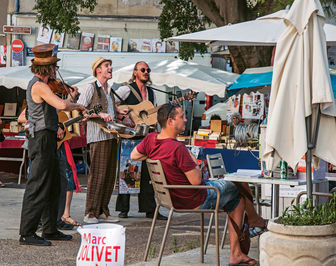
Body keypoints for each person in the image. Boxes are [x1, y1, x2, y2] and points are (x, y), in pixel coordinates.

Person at [130, 103, 266, 266]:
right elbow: (196, 181)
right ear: (170, 121)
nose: (186, 120)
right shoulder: (177, 148)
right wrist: (193, 161)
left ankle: (251, 225)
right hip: (194, 199)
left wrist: (157, 158)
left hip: (170, 199)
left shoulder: (150, 139)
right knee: (238, 184)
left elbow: (134, 155)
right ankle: (251, 227)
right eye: (182, 116)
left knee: (235, 197)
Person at [19, 44, 85, 246]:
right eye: (54, 67)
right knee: (38, 185)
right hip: (40, 139)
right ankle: (26, 233)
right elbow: (62, 105)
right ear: (47, 68)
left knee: (54, 184)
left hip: (49, 138)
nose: (56, 70)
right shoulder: (39, 86)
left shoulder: (47, 86)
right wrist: (77, 105)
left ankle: (50, 229)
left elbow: (53, 110)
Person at [77, 56, 128, 224]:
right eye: (107, 66)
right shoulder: (90, 88)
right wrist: (100, 114)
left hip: (112, 135)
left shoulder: (109, 90)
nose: (110, 68)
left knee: (109, 176)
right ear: (98, 69)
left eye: (110, 65)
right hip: (98, 137)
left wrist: (119, 114)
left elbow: (111, 111)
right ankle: (90, 213)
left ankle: (103, 211)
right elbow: (81, 110)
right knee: (97, 175)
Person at [114, 61, 167, 220]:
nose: (146, 72)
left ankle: (150, 209)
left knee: (148, 174)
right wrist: (123, 116)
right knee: (128, 172)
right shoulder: (125, 89)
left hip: (147, 136)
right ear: (135, 72)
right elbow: (113, 105)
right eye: (143, 69)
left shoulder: (151, 93)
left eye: (148, 70)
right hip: (131, 137)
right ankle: (124, 209)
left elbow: (153, 115)